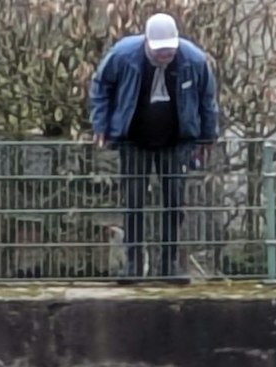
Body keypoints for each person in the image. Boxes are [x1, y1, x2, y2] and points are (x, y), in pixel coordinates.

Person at [88, 13, 220, 282]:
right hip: (133, 139)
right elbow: (101, 86)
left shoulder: (193, 60)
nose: (165, 55)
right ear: (147, 43)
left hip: (176, 141)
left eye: (170, 49)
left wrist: (207, 137)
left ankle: (169, 264)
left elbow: (208, 99)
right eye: (160, 50)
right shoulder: (123, 55)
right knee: (133, 202)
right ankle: (133, 264)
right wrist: (101, 125)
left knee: (174, 203)